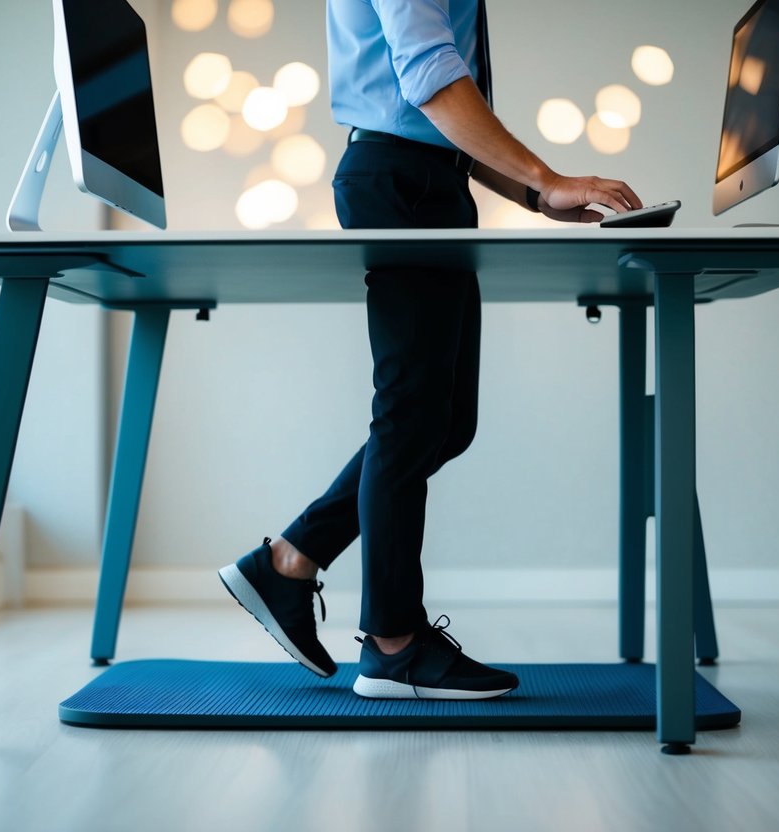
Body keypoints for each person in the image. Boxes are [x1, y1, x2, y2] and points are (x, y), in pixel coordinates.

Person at [219, 0, 642, 700]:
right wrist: (545, 177)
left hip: (430, 177)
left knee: (443, 423)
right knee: (412, 414)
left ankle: (290, 560)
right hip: (401, 179)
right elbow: (427, 75)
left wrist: (538, 196)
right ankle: (391, 641)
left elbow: (446, 116)